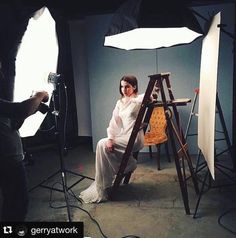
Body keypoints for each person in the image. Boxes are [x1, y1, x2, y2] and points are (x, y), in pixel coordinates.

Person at [79, 75, 144, 203]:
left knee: (100, 144)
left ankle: (127, 165)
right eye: (122, 86)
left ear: (134, 87)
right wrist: (110, 138)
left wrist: (136, 98)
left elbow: (150, 97)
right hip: (124, 136)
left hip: (135, 137)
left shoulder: (138, 100)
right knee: (104, 144)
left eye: (127, 86)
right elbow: (114, 122)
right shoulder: (119, 103)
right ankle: (109, 179)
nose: (124, 89)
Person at [0, 67, 49, 221]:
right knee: (17, 206)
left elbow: (13, 123)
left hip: (11, 158)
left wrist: (32, 109)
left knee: (14, 204)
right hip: (7, 161)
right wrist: (39, 96)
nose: (1, 73)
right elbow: (20, 110)